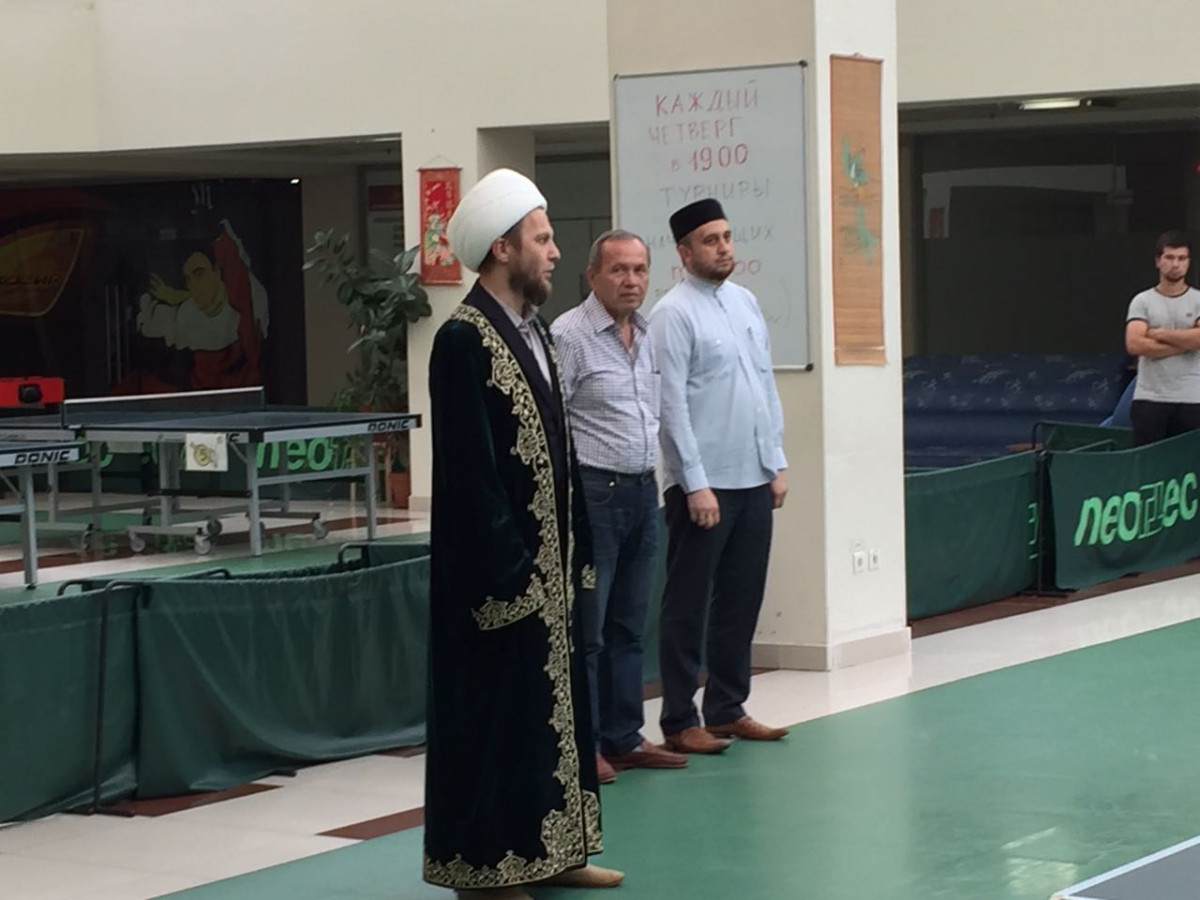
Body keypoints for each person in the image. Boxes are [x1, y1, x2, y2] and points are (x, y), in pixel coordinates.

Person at [425, 168, 622, 900]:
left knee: (555, 716)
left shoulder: (535, 332)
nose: (554, 252)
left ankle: (557, 850)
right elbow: (471, 475)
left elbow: (562, 455)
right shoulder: (461, 341)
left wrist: (576, 554)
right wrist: (511, 573)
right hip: (497, 581)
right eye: (541, 239)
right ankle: (489, 869)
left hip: (549, 571)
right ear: (503, 249)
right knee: (496, 722)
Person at [647, 198, 790, 755]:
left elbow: (763, 385)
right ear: (684, 253)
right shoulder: (673, 314)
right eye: (711, 240)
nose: (724, 248)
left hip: (753, 476)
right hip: (703, 487)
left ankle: (728, 707)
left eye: (727, 237)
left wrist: (775, 460)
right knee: (687, 603)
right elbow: (671, 407)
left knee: (741, 598)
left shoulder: (745, 302)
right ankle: (680, 719)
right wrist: (694, 482)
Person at [551, 230, 687, 785]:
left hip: (640, 491)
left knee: (630, 625)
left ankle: (624, 736)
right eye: (619, 270)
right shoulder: (569, 335)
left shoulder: (648, 333)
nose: (631, 281)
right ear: (593, 277)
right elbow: (552, 423)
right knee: (589, 631)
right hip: (593, 495)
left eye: (639, 270)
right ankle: (583, 748)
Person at [1124, 230, 1200, 446]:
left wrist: (1158, 333)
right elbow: (1134, 344)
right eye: (1169, 257)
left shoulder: (1198, 300)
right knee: (1148, 462)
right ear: (1158, 261)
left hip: (1192, 399)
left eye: (1182, 258)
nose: (1175, 264)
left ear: (1188, 262)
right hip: (1150, 399)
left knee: (1189, 462)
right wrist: (1186, 343)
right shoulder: (1142, 301)